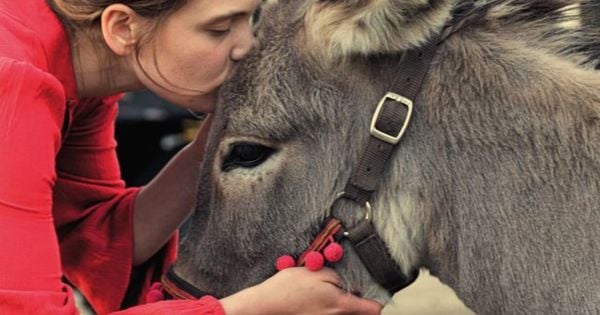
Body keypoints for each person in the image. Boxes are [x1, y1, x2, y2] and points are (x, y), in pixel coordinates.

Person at [0, 0, 383, 314]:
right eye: (218, 29)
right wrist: (250, 308)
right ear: (121, 27)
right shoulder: (13, 84)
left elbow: (91, 236)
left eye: (249, 19)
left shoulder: (75, 74)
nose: (246, 47)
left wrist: (209, 147)